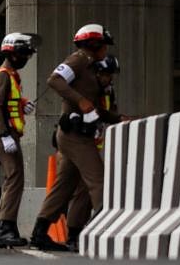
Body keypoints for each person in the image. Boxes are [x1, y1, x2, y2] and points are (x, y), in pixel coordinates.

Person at [30, 24, 115, 251]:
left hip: (77, 134)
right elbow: (54, 80)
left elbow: (96, 107)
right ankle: (104, 231)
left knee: (64, 187)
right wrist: (80, 100)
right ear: (94, 44)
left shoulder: (90, 66)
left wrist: (119, 118)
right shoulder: (79, 59)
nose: (106, 50)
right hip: (75, 134)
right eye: (104, 45)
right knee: (98, 181)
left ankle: (43, 232)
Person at [64, 54, 126, 252]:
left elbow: (106, 113)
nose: (109, 79)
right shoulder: (85, 89)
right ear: (97, 73)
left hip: (94, 144)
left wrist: (119, 119)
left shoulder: (107, 91)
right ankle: (75, 234)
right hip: (77, 143)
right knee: (81, 190)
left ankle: (80, 232)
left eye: (111, 75)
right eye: (106, 74)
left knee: (84, 189)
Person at [0, 33, 40, 248]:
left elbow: (8, 103)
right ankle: (4, 229)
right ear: (12, 53)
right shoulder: (3, 75)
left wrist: (22, 104)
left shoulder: (11, 75)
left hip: (7, 133)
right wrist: (5, 135)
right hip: (4, 134)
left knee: (14, 179)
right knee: (14, 178)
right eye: (24, 53)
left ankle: (7, 228)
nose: (26, 58)